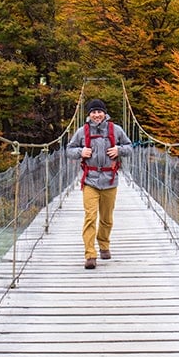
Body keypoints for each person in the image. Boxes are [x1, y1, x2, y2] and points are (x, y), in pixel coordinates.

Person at [67, 98, 133, 269]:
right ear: (89, 114)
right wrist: (81, 151)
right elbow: (69, 150)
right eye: (93, 112)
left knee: (106, 218)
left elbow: (129, 147)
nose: (96, 115)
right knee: (90, 217)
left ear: (104, 113)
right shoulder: (82, 132)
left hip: (110, 179)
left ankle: (104, 245)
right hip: (90, 180)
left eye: (99, 111)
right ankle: (90, 254)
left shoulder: (116, 130)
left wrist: (119, 149)